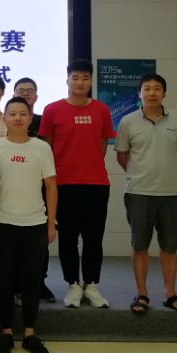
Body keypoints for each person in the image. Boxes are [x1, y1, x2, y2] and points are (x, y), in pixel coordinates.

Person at [115, 74, 177, 317]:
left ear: (164, 94)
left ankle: (170, 294)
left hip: (173, 193)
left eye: (157, 88)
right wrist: (140, 174)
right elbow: (122, 156)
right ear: (139, 94)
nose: (151, 93)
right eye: (146, 89)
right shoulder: (127, 121)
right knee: (140, 245)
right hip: (139, 193)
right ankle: (142, 293)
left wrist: (165, 172)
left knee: (170, 246)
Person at [39, 60, 114, 309]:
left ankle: (91, 285)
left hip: (96, 184)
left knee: (94, 238)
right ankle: (72, 284)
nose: (80, 82)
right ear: (67, 80)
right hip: (64, 185)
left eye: (85, 78)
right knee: (68, 239)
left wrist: (88, 166)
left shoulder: (102, 110)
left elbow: (102, 144)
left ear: (91, 81)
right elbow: (47, 147)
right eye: (75, 77)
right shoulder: (52, 110)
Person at [0, 97, 58, 353]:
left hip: (35, 224)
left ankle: (30, 333)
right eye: (13, 113)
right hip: (3, 224)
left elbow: (51, 186)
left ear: (30, 118)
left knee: (32, 281)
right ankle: (6, 332)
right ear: (4, 118)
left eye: (23, 113)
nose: (18, 118)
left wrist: (51, 223)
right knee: (5, 280)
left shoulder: (42, 148)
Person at [14, 76, 56, 303]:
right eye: (21, 90)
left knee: (39, 241)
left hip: (39, 187)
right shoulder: (9, 121)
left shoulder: (43, 122)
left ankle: (40, 281)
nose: (25, 94)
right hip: (13, 188)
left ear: (36, 96)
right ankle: (17, 285)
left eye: (29, 91)